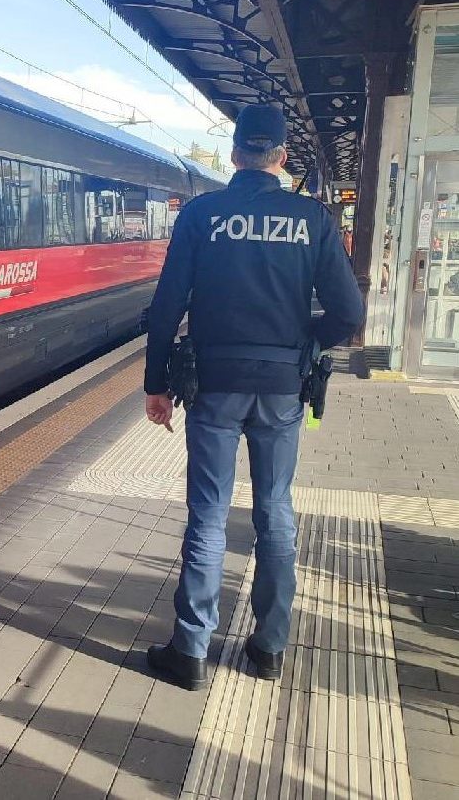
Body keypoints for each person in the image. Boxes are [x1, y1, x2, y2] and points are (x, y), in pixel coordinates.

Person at [143, 105, 364, 690]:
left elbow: (166, 307)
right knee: (274, 509)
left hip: (212, 384)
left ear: (235, 154)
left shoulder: (201, 214)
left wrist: (155, 383)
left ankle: (190, 650)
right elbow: (349, 312)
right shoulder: (312, 218)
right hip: (282, 389)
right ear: (282, 157)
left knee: (209, 513)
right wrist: (305, 342)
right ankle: (269, 648)